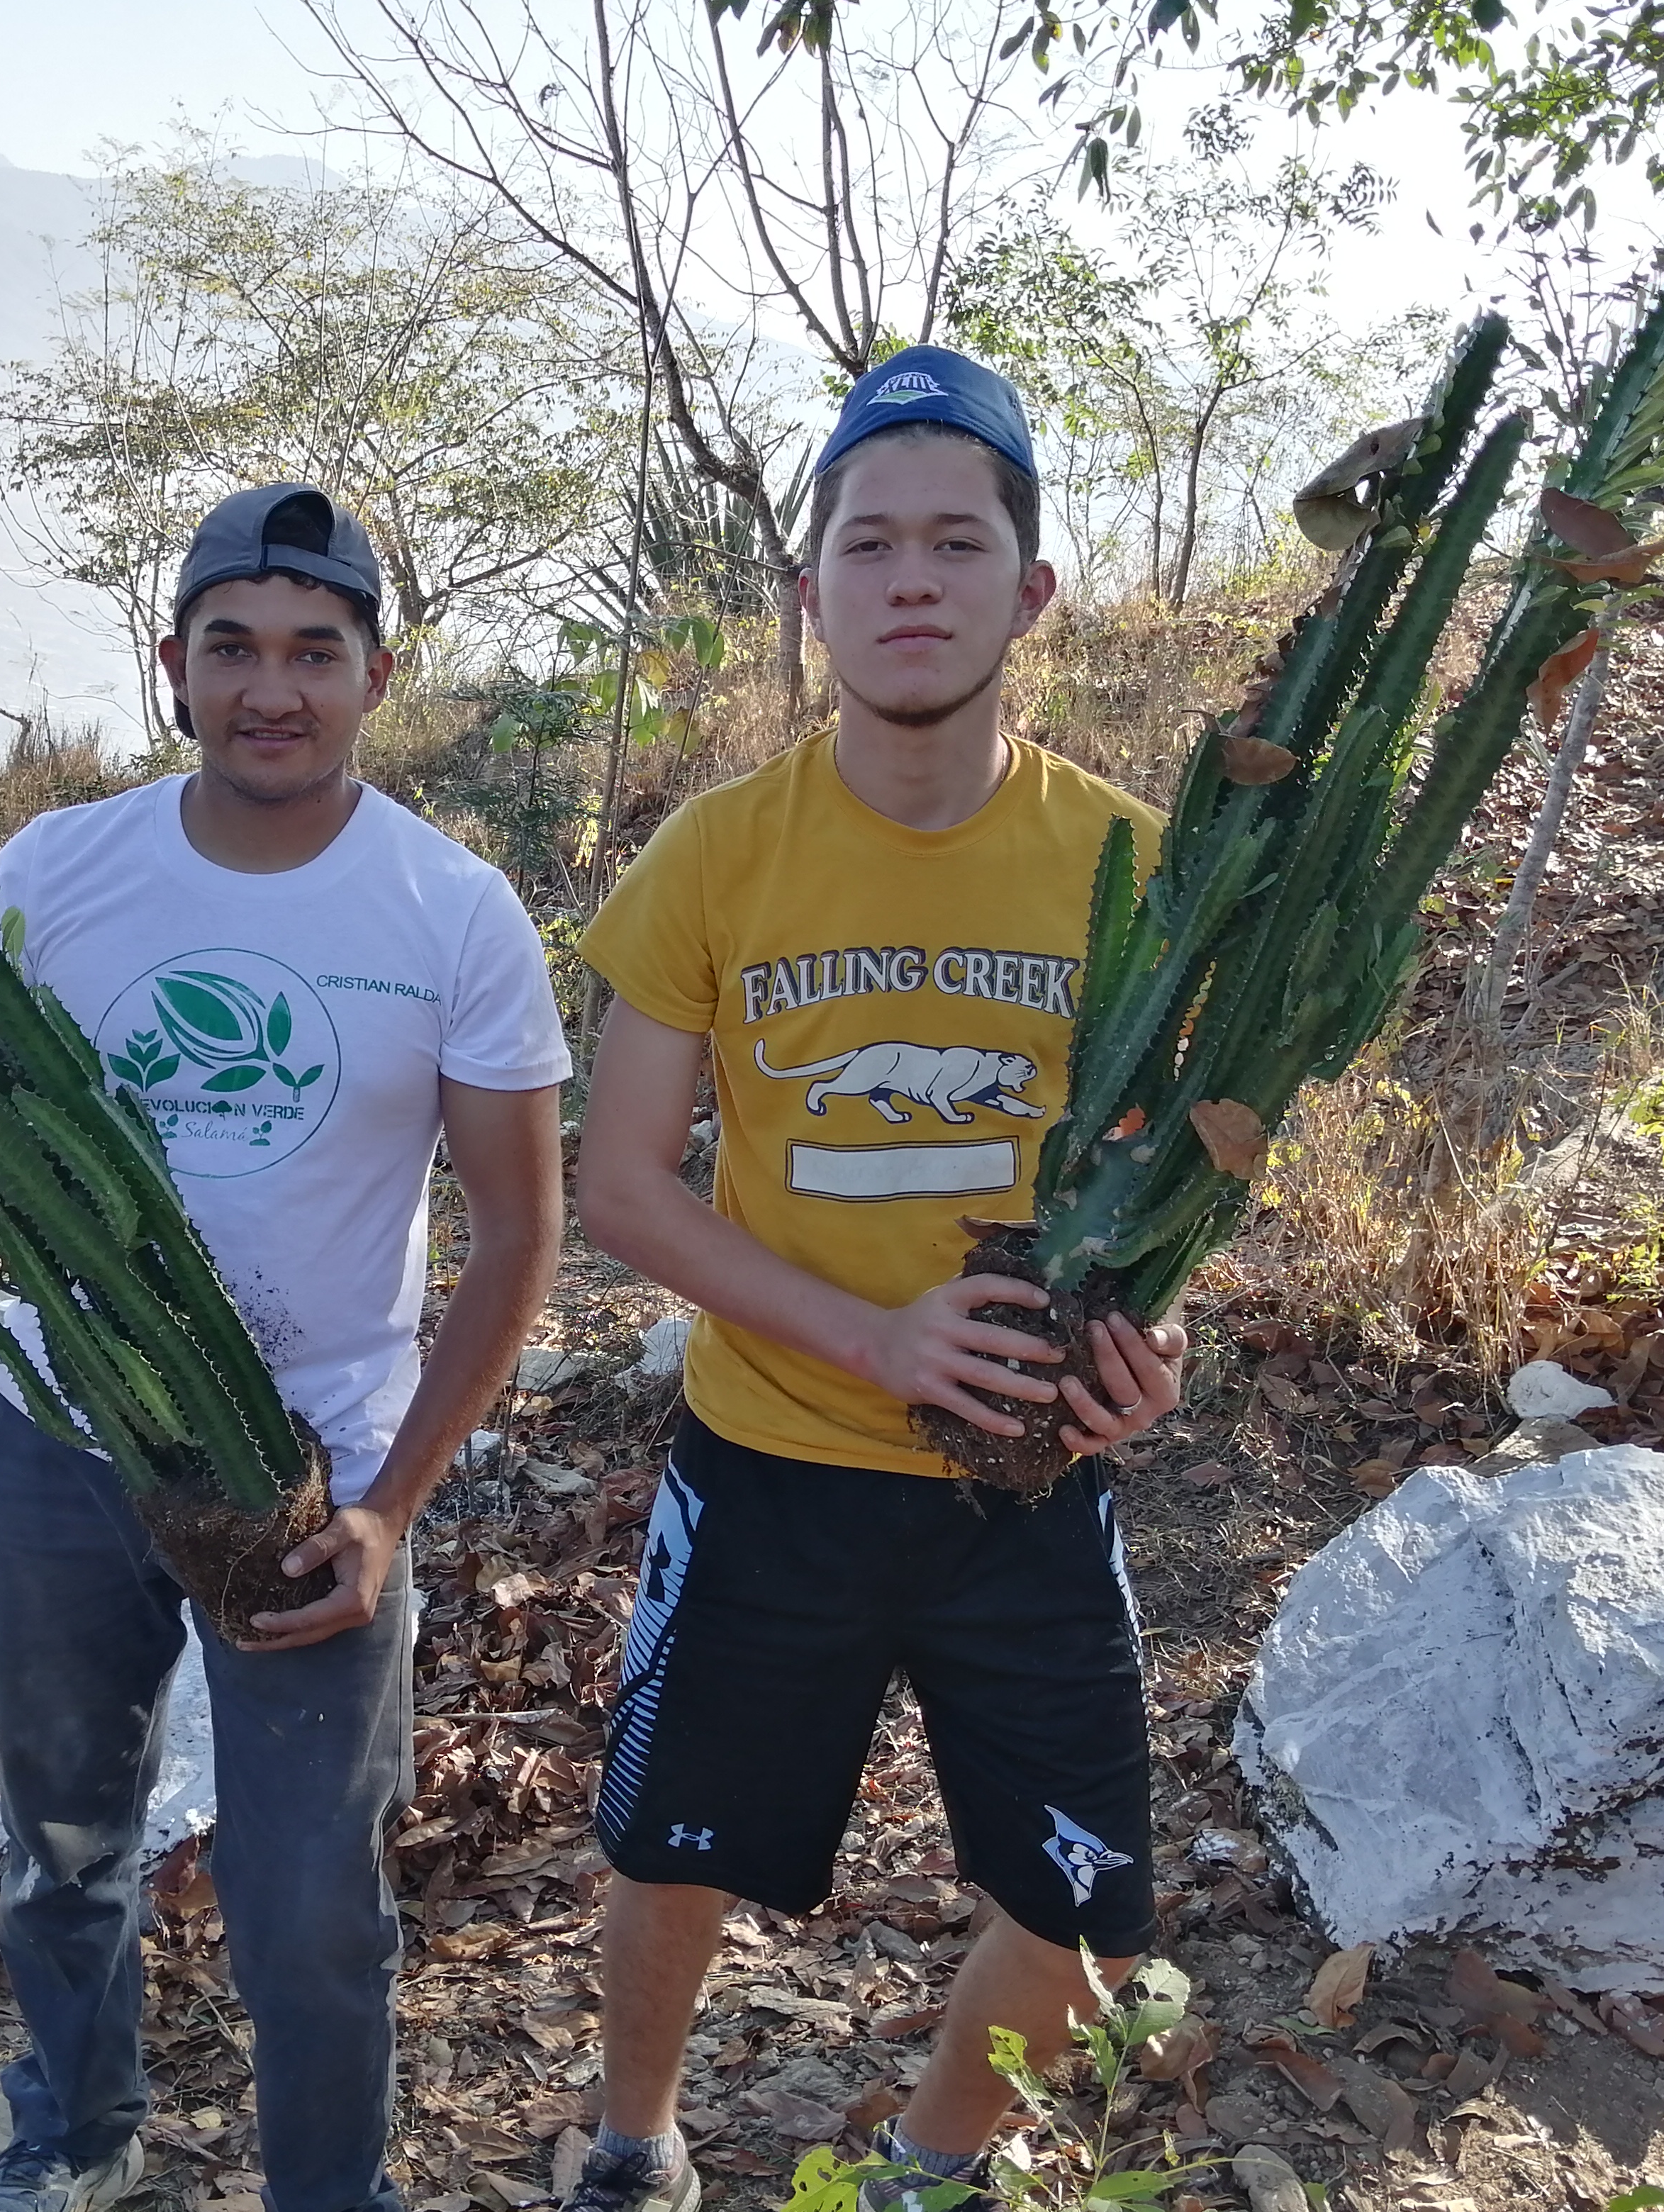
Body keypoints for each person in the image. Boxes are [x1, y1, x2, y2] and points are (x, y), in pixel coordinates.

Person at [0, 484, 570, 2212]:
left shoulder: (452, 914)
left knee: (311, 1901)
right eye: (233, 648)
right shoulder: (55, 874)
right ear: (173, 667)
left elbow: (520, 1240)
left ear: (378, 672)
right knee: (61, 1839)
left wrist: (392, 1505)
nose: (270, 689)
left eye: (315, 651)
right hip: (53, 1444)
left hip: (308, 1471)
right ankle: (72, 2133)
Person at [564, 350, 1190, 2212]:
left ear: (1031, 587)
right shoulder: (718, 858)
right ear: (814, 587)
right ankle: (634, 2141)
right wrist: (876, 1337)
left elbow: (1165, 1195)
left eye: (957, 541)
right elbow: (620, 1194)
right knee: (673, 1849)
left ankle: (930, 2168)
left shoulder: (1134, 872)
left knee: (1085, 1900)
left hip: (1030, 1483)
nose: (911, 579)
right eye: (869, 544)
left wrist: (1156, 1350)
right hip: (772, 1467)